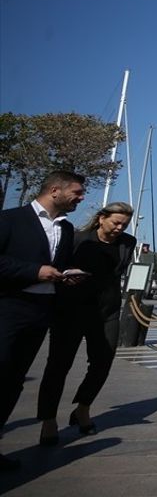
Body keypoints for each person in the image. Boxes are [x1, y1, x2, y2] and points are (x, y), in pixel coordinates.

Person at [0, 170, 86, 471]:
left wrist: (65, 276)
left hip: (41, 310)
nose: (81, 198)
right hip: (9, 306)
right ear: (54, 190)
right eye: (76, 192)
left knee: (14, 380)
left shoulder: (65, 228)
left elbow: (55, 266)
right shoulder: (11, 220)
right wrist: (34, 271)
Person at [36, 201, 137, 445]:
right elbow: (57, 267)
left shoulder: (127, 243)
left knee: (103, 361)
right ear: (102, 218)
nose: (119, 228)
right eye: (115, 223)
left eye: (124, 224)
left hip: (107, 311)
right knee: (59, 364)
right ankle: (48, 420)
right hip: (71, 309)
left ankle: (83, 407)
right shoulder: (78, 239)